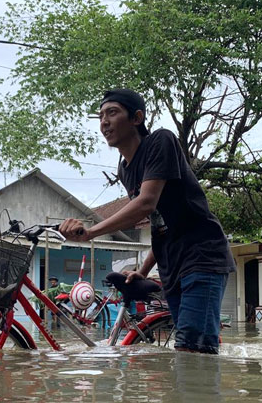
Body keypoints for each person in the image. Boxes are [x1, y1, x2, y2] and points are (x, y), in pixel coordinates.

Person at [59, 88, 236, 354]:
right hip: (171, 267)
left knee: (194, 350)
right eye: (100, 116)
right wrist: (142, 271)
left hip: (202, 257)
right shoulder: (125, 169)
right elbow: (160, 224)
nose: (104, 122)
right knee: (187, 351)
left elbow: (145, 203)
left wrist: (91, 232)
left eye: (112, 113)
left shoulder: (160, 141)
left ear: (137, 118)